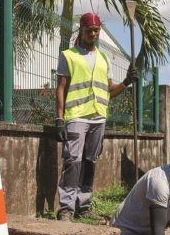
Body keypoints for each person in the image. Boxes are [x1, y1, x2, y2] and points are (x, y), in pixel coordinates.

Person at [55, 12, 138, 221]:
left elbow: (109, 90)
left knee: (90, 161)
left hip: (98, 118)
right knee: (72, 161)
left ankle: (84, 205)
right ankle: (66, 207)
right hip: (76, 117)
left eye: (96, 30)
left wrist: (127, 81)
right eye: (89, 30)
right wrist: (59, 118)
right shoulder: (68, 55)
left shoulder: (103, 58)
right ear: (81, 30)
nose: (93, 34)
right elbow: (61, 88)